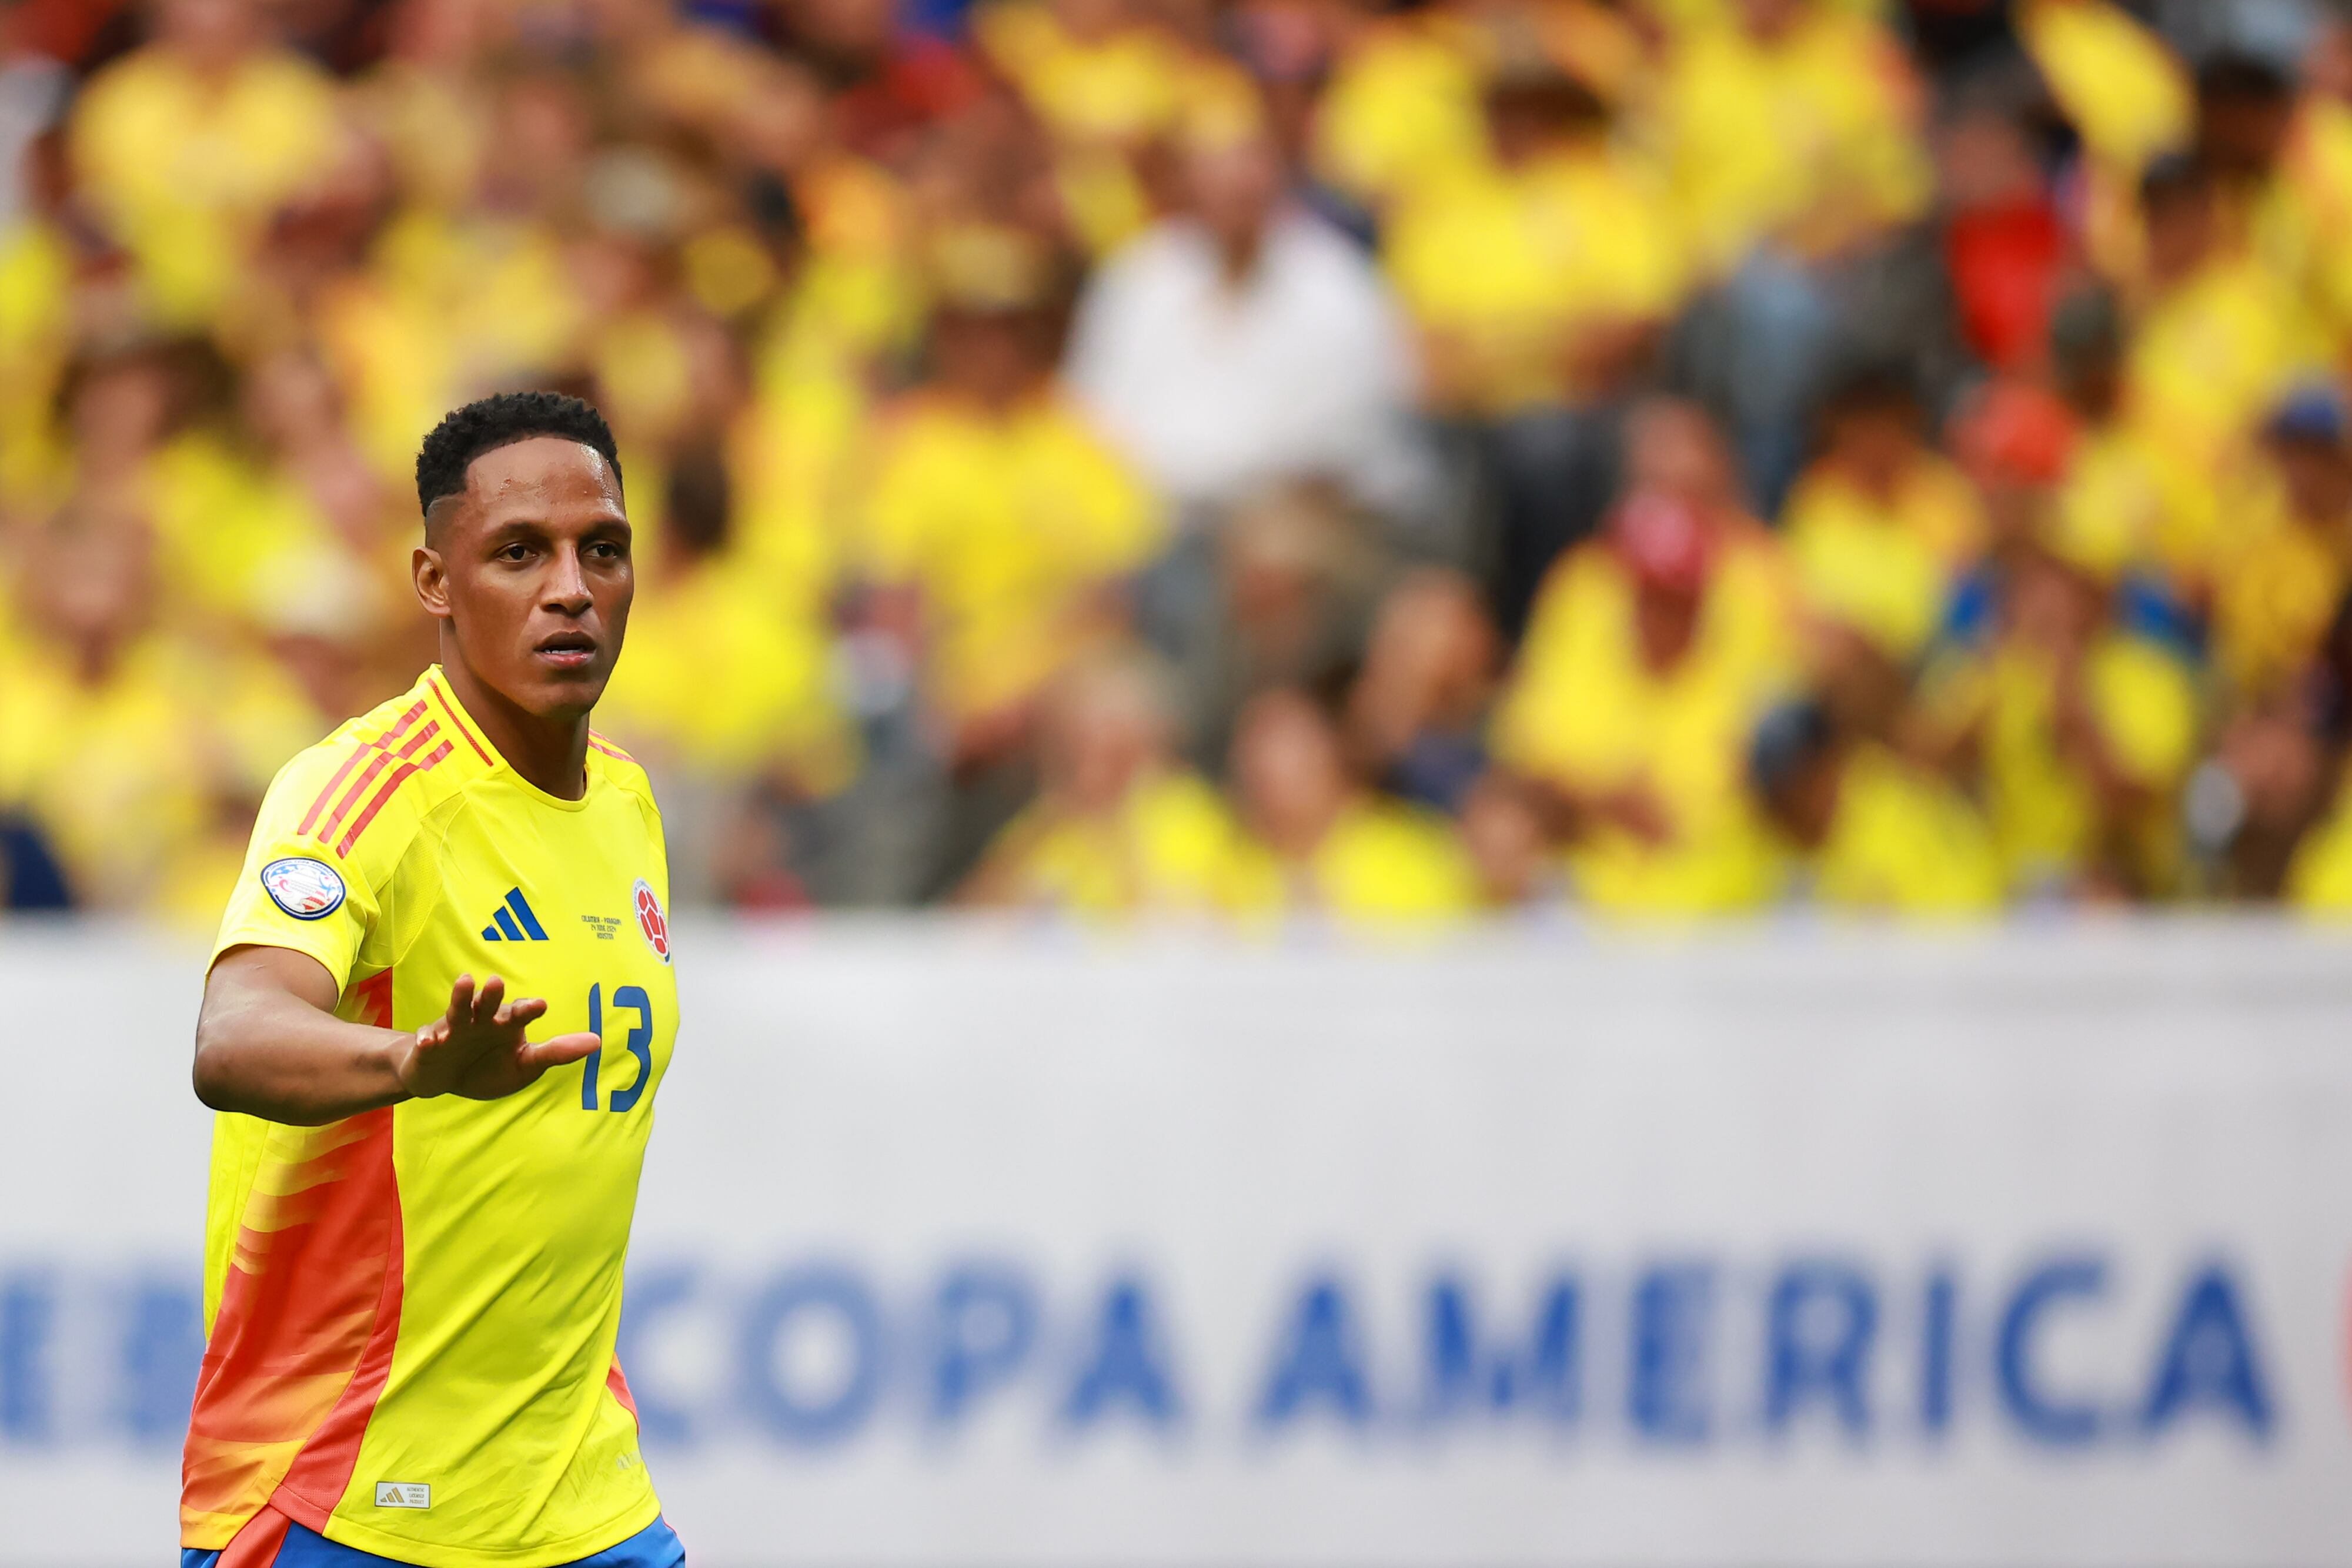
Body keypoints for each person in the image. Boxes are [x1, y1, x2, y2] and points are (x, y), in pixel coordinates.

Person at [182, 392, 684, 1568]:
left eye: (600, 549)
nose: (570, 587)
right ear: (435, 580)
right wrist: (410, 1062)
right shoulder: (360, 789)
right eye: (519, 552)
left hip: (583, 1502)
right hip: (342, 1498)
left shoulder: (625, 802)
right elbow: (235, 1031)